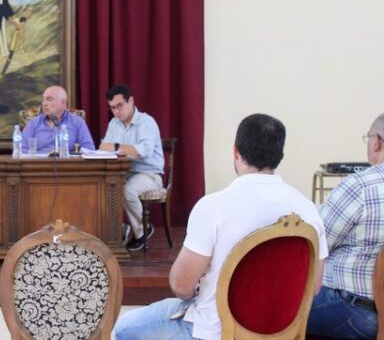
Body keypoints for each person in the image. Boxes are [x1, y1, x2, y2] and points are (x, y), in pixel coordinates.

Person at [113, 113, 328, 340]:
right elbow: (313, 287)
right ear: (280, 155)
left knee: (123, 328)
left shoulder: (213, 208)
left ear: (236, 152)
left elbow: (181, 286)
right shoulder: (308, 211)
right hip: (281, 334)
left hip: (214, 333)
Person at [306, 112, 384, 340]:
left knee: (274, 304)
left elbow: (316, 244)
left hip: (355, 311)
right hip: (374, 314)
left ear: (377, 142)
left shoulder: (360, 186)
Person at [99, 85, 165, 251]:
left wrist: (116, 147)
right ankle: (119, 230)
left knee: (127, 190)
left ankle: (142, 231)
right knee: (99, 187)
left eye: (120, 106)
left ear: (131, 101)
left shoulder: (146, 122)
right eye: (112, 108)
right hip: (123, 172)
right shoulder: (114, 123)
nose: (116, 111)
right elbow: (104, 147)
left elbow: (144, 150)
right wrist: (111, 148)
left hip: (149, 174)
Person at [21, 85, 95, 153]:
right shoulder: (33, 123)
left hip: (68, 162)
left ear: (63, 103)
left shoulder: (77, 122)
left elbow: (89, 149)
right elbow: (22, 149)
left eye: (49, 99)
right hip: (40, 162)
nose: (44, 103)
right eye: (43, 100)